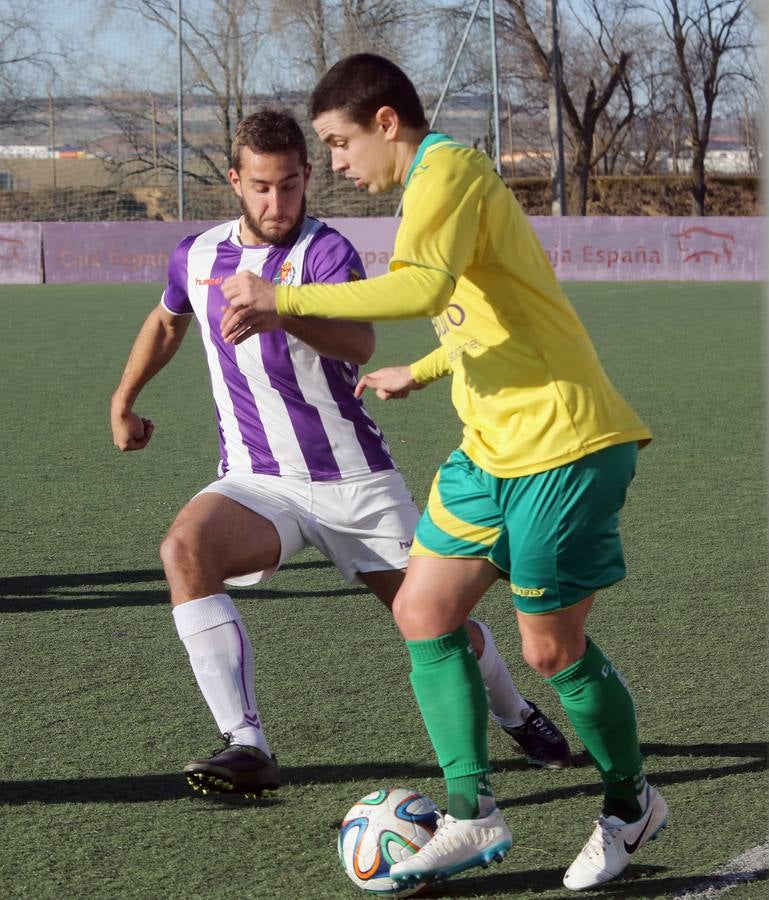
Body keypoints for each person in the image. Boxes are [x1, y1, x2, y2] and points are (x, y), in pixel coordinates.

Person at [218, 60, 668, 892]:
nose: (339, 164)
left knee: (547, 650)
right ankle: (470, 813)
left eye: (339, 143)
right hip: (488, 448)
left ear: (386, 122)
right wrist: (419, 373)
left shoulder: (448, 168)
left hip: (563, 444)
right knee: (423, 611)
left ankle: (629, 804)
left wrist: (283, 296)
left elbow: (423, 287)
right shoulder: (431, 188)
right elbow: (483, 313)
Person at [110, 107, 571, 802]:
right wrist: (125, 398)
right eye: (262, 187)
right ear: (235, 181)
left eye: (291, 185)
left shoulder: (324, 252)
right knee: (184, 549)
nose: (277, 202)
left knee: (433, 620)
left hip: (354, 481)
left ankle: (515, 712)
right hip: (258, 479)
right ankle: (246, 743)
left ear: (305, 181)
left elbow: (359, 344)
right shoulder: (198, 254)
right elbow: (167, 318)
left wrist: (282, 309)